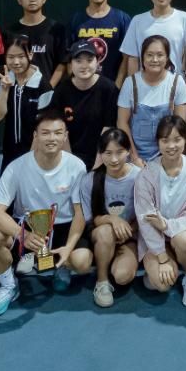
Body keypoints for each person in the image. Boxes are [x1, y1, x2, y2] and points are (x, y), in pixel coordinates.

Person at [0, 109, 90, 318]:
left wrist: (69, 247)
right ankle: (8, 285)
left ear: (65, 136)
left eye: (58, 133)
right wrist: (22, 234)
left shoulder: (76, 166)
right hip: (28, 228)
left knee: (82, 261)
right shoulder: (16, 167)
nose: (52, 138)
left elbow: (79, 213)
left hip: (63, 227)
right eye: (45, 133)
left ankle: (62, 267)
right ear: (35, 136)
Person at [135, 116, 186, 306]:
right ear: (158, 143)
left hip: (181, 232)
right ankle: (159, 270)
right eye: (165, 140)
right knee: (162, 284)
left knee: (185, 239)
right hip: (154, 237)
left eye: (177, 139)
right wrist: (161, 258)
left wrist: (167, 225)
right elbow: (145, 220)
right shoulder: (147, 174)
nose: (171, 146)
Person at [79, 128, 140, 307]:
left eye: (119, 152)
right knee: (106, 231)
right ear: (100, 154)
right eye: (108, 153)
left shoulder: (139, 177)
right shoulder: (90, 180)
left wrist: (128, 231)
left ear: (128, 151)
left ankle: (112, 261)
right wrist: (113, 219)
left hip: (129, 237)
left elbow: (145, 215)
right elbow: (90, 219)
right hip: (102, 235)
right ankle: (102, 282)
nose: (114, 159)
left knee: (122, 277)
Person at [117, 35, 186, 166]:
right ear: (142, 57)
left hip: (168, 156)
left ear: (167, 57)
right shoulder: (130, 83)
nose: (155, 60)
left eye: (160, 55)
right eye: (149, 55)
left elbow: (180, 127)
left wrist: (166, 160)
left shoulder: (177, 82)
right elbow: (122, 122)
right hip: (135, 157)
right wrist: (134, 157)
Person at [47, 40, 120, 168]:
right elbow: (60, 130)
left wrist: (97, 167)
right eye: (78, 61)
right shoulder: (62, 91)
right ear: (71, 63)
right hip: (69, 156)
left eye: (89, 60)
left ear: (98, 62)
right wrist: (71, 164)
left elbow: (108, 129)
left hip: (102, 157)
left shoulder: (109, 89)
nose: (84, 65)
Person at [120, 0, 186, 87]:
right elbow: (133, 58)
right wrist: (134, 89)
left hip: (175, 88)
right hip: (144, 88)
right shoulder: (137, 20)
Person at [0, 33, 53, 167]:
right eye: (11, 57)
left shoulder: (43, 86)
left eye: (21, 56)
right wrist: (5, 90)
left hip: (36, 154)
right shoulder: (1, 79)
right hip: (8, 153)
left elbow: (44, 126)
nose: (16, 62)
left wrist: (30, 159)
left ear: (30, 55)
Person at [66, 0, 130, 83]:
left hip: (113, 86)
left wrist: (117, 87)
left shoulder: (122, 19)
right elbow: (69, 57)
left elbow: (127, 58)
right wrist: (75, 84)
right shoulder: (76, 19)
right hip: (82, 87)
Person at [7, 0, 66, 86]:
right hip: (19, 91)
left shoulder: (56, 29)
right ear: (19, 0)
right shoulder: (10, 32)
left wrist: (49, 88)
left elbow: (62, 63)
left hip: (49, 91)